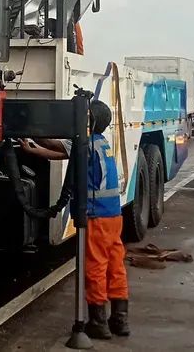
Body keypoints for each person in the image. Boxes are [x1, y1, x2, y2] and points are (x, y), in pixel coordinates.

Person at [19, 100, 129, 339]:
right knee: (115, 266)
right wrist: (32, 150)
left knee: (95, 267)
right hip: (113, 215)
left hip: (96, 215)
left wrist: (26, 125)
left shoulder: (84, 143)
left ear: (88, 121)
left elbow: (53, 144)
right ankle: (120, 320)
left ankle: (98, 322)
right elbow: (61, 153)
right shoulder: (100, 143)